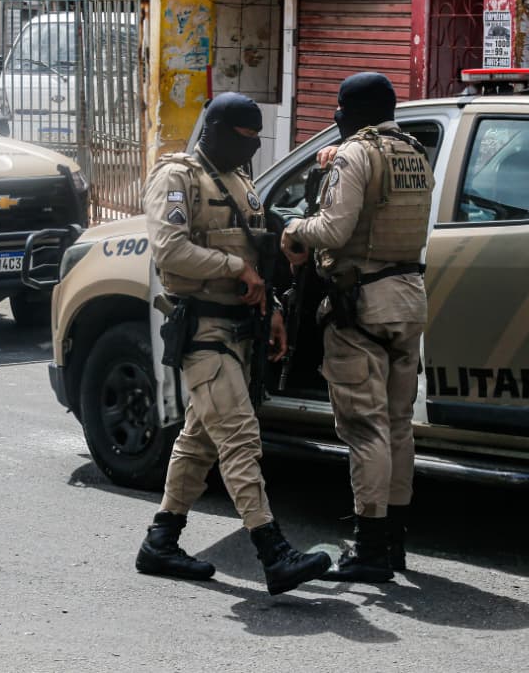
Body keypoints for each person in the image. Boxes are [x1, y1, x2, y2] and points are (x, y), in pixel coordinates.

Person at [135, 92, 332, 596]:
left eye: (254, 141)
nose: (249, 151)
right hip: (202, 331)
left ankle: (161, 541)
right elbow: (171, 250)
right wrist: (232, 268)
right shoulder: (175, 178)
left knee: (199, 441)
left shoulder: (241, 182)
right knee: (240, 437)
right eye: (242, 138)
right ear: (215, 129)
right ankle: (272, 552)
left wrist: (274, 314)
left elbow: (256, 256)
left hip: (241, 327)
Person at [280, 72, 433, 583]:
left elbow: (334, 229)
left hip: (360, 306)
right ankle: (393, 546)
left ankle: (367, 549)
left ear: (359, 110)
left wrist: (294, 228)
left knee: (364, 430)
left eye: (341, 108)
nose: (336, 118)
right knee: (397, 427)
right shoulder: (413, 151)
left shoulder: (355, 154)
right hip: (408, 300)